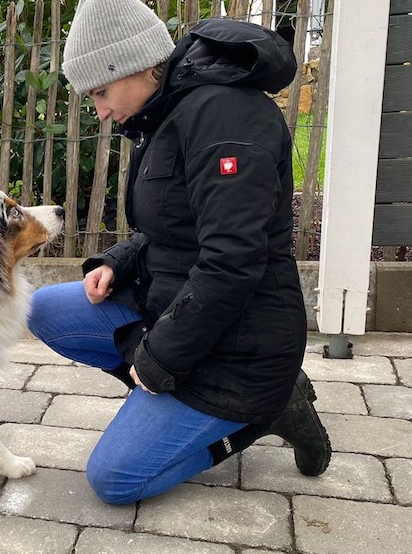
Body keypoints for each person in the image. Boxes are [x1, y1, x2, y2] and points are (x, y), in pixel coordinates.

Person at [28, 0, 332, 505]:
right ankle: (164, 400)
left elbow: (232, 262)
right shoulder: (170, 110)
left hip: (241, 347)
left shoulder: (227, 118)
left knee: (116, 481)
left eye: (101, 91)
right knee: (44, 310)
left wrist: (160, 357)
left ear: (143, 64)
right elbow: (171, 225)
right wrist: (115, 262)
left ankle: (265, 414)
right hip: (174, 306)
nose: (100, 111)